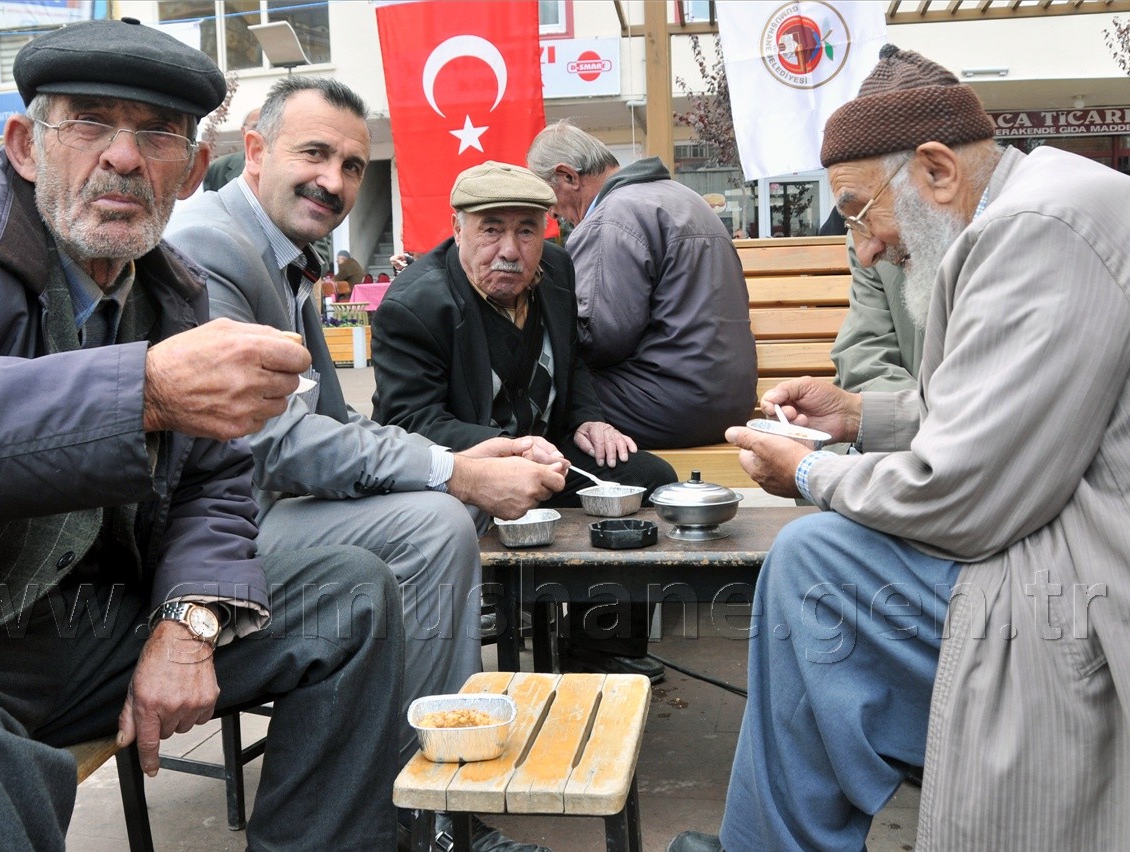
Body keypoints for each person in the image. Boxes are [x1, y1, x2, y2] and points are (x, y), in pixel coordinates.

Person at [0, 19, 404, 851]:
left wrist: (189, 618)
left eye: (157, 134)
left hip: (101, 623)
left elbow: (214, 482)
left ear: (191, 171)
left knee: (351, 594)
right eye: (89, 123)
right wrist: (140, 391)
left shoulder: (174, 292)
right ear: (25, 147)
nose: (123, 157)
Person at [670, 45, 1130, 852]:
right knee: (820, 572)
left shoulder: (1036, 230)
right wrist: (856, 417)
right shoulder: (1045, 201)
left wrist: (809, 471)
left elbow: (964, 497)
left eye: (856, 212)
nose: (865, 248)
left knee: (816, 568)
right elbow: (1012, 411)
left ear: (937, 170)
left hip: (1091, 587)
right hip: (1072, 542)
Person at [165, 78, 563, 852]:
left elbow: (336, 420)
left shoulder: (282, 252)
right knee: (435, 521)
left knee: (444, 509)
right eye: (314, 153)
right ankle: (432, 811)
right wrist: (451, 470)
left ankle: (422, 788)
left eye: (351, 165)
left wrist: (456, 458)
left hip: (256, 509)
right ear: (255, 150)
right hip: (204, 541)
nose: (335, 180)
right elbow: (272, 441)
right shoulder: (213, 247)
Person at [371, 161, 679, 682]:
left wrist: (588, 418)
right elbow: (410, 421)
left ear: (547, 232)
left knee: (644, 478)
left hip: (547, 451)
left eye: (527, 231)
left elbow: (574, 361)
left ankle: (599, 645)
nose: (510, 250)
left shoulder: (556, 269)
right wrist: (508, 450)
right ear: (457, 229)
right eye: (491, 230)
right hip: (465, 471)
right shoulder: (414, 306)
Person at [526, 120, 757, 449]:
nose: (552, 214)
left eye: (549, 201)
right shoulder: (685, 197)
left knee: (537, 393)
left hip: (673, 404)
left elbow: (601, 339)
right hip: (732, 401)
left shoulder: (611, 217)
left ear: (568, 176)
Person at [831, 236, 921, 392]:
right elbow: (864, 352)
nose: (864, 257)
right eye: (852, 224)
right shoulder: (866, 242)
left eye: (868, 223)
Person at [202, 106, 259, 192]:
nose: (263, 131)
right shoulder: (218, 169)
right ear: (243, 131)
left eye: (269, 127)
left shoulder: (279, 167)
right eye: (256, 126)